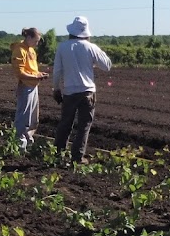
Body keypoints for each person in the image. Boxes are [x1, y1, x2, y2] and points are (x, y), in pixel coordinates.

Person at [52, 16, 112, 165]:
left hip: (69, 92)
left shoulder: (62, 47)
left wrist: (56, 89)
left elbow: (57, 71)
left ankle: (58, 154)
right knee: (84, 126)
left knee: (65, 123)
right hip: (87, 92)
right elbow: (107, 65)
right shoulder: (91, 47)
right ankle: (78, 157)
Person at [10, 27, 48, 150]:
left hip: (33, 85)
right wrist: (35, 76)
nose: (37, 44)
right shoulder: (19, 50)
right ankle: (19, 144)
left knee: (32, 117)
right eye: (36, 41)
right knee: (23, 116)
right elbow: (19, 72)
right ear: (29, 37)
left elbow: (31, 69)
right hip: (25, 85)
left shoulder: (31, 50)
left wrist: (38, 74)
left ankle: (28, 141)